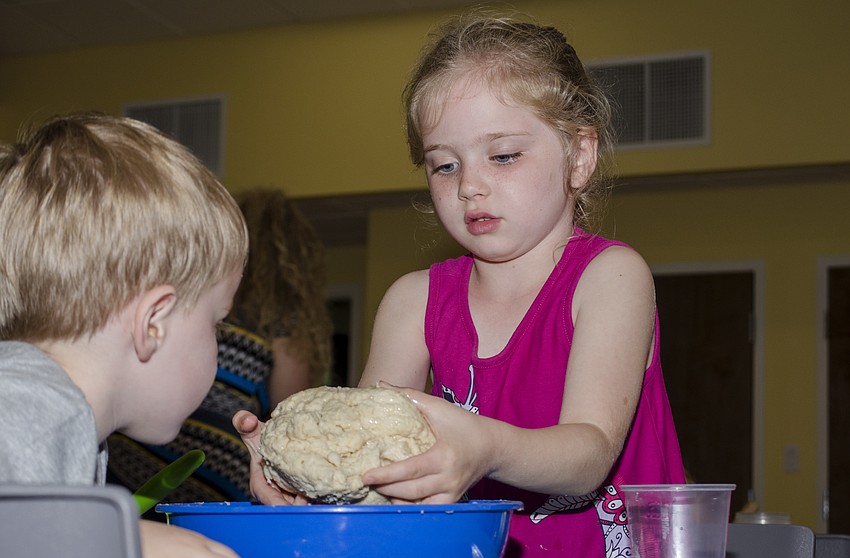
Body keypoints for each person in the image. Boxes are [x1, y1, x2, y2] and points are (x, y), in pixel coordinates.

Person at [234, 11, 686, 557]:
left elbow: (589, 454)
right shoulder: (411, 302)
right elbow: (375, 471)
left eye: (503, 156)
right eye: (445, 166)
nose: (470, 185)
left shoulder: (610, 277)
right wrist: (310, 479)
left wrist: (485, 447)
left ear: (579, 155)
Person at [0, 112, 248, 558]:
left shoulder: (64, 418)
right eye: (216, 322)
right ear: (153, 323)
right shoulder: (36, 407)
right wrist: (124, 544)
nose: (218, 343)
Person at [107, 187, 332, 505]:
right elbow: (293, 411)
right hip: (218, 470)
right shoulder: (284, 322)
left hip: (130, 455)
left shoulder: (194, 301)